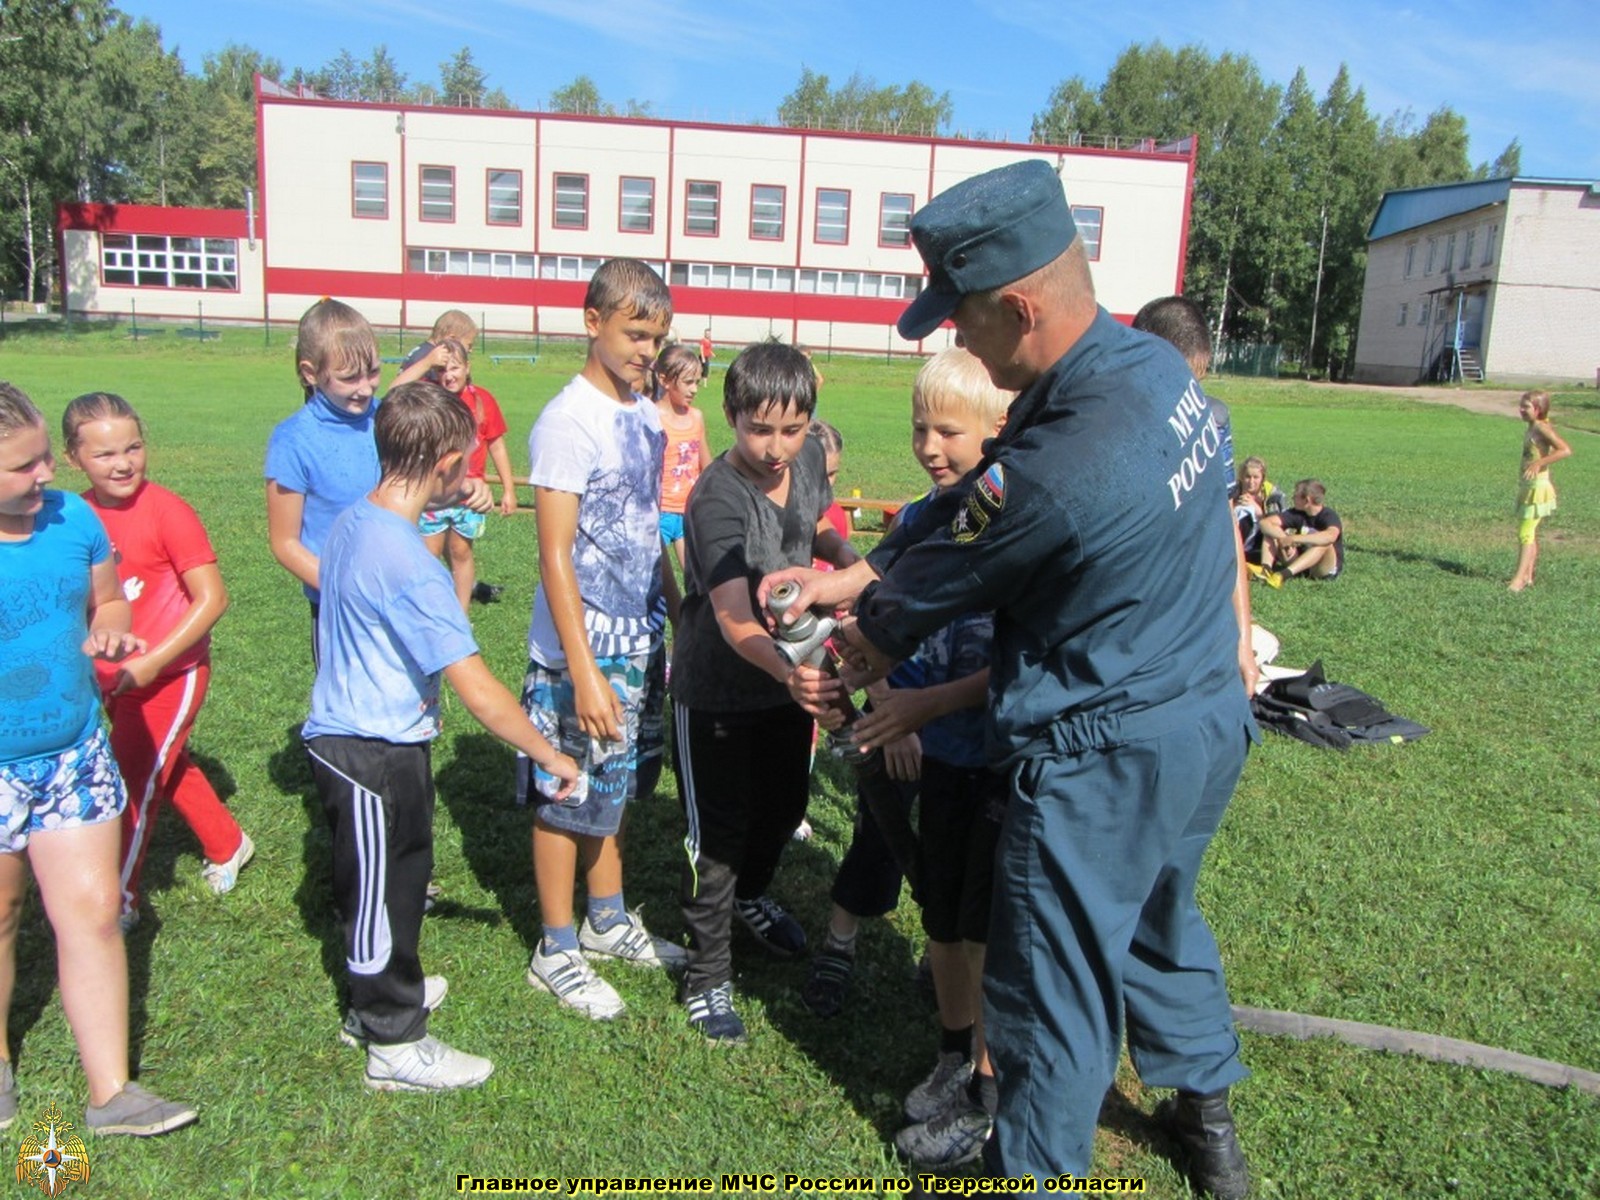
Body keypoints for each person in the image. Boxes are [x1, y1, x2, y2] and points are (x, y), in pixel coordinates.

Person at [762, 159, 1256, 1197]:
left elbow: (965, 554)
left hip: (1104, 750)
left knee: (1051, 981)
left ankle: (1031, 1169)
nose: (959, 343)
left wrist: (860, 632)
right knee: (1162, 919)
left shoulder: (1070, 461)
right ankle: (1204, 1120)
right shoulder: (1144, 369)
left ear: (1021, 307)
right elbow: (979, 495)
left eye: (967, 321)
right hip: (1201, 719)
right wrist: (866, 564)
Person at [303, 381, 579, 1091]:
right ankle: (389, 1039)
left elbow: (416, 517)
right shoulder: (412, 569)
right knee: (376, 898)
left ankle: (389, 989)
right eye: (469, 466)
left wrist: (456, 501)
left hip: (390, 739)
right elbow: (481, 691)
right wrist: (549, 753)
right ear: (449, 460)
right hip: (366, 749)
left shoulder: (356, 521)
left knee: (404, 878)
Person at [805, 351, 1013, 1172]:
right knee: (946, 920)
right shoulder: (934, 512)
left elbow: (1019, 665)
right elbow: (882, 588)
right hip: (943, 753)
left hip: (999, 754)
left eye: (949, 430)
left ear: (997, 427)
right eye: (920, 427)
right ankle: (954, 1055)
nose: (931, 444)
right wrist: (848, 639)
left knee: (995, 932)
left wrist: (917, 705)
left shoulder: (1011, 513)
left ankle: (990, 1096)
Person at [0, 382, 197, 1136]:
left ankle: (112, 1092)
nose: (47, 474)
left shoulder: (73, 518)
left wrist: (112, 628)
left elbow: (109, 599)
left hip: (72, 755)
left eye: (47, 457)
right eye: (23, 468)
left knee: (93, 917)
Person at [671, 342, 861, 1043]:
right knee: (715, 840)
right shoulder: (716, 498)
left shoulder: (807, 455)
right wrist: (790, 674)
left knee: (782, 810)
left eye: (793, 428)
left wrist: (847, 564)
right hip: (719, 690)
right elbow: (730, 617)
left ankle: (751, 898)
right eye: (760, 429)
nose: (778, 447)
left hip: (790, 679)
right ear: (730, 415)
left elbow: (812, 527)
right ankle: (708, 974)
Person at [521, 259, 685, 1023]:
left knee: (614, 784)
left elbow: (645, 529)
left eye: (656, 336)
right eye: (633, 332)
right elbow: (554, 552)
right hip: (576, 652)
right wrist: (581, 669)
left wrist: (676, 611)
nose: (647, 350)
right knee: (567, 788)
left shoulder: (645, 413)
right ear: (592, 322)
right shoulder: (567, 421)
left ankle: (607, 916)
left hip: (636, 639)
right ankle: (555, 947)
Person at [63, 393, 253, 931]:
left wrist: (155, 663)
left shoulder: (169, 511)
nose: (123, 463)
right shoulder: (76, 515)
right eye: (104, 455)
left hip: (172, 675)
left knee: (129, 783)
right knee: (162, 769)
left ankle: (116, 903)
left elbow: (212, 598)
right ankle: (229, 842)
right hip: (112, 679)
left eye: (134, 447)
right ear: (73, 457)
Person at [266, 299, 490, 659]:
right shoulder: (293, 440)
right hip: (338, 605)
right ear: (310, 373)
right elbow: (285, 543)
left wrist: (462, 490)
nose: (367, 388)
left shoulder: (385, 417)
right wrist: (346, 586)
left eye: (372, 372)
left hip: (399, 588)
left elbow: (409, 493)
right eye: (349, 377)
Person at [418, 339, 518, 612]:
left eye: (455, 368)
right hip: (434, 492)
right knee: (430, 554)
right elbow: (396, 394)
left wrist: (508, 489)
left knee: (461, 552)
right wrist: (425, 363)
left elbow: (496, 445)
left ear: (467, 367)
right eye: (442, 370)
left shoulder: (482, 401)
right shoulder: (429, 400)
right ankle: (428, 610)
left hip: (471, 496)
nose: (449, 375)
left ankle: (460, 614)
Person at [655, 343, 713, 571]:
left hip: (688, 513)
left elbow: (705, 464)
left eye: (697, 382)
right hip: (657, 513)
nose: (694, 389)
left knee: (696, 580)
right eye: (688, 382)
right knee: (654, 582)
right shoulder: (651, 417)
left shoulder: (696, 418)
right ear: (664, 379)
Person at [1508, 390, 1572, 592]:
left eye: (1525, 406)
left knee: (1525, 533)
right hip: (1528, 486)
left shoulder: (1541, 428)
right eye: (1521, 405)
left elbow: (1565, 450)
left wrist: (1540, 463)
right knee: (1530, 532)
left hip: (1538, 488)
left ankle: (1518, 580)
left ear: (1538, 409)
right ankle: (1527, 576)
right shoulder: (1532, 427)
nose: (1521, 410)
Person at [1259, 479, 1343, 584]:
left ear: (1307, 500)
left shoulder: (1328, 515)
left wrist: (1294, 538)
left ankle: (1283, 575)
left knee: (1324, 543)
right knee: (1270, 533)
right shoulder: (1296, 513)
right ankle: (1265, 570)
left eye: (1296, 495)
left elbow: (1330, 536)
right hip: (1299, 562)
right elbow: (1264, 523)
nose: (1292, 498)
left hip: (1321, 568)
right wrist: (1284, 538)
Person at [1231, 456, 1285, 569]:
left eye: (1256, 477)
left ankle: (1266, 564)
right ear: (1241, 477)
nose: (1251, 482)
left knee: (1249, 512)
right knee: (1241, 511)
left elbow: (1275, 523)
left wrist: (1258, 509)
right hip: (1236, 534)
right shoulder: (1233, 490)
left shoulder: (1272, 494)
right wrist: (1234, 507)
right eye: (1247, 477)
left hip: (1263, 538)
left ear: (1263, 478)